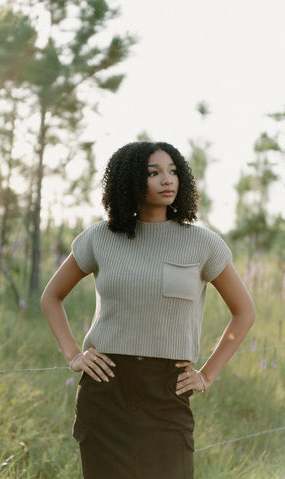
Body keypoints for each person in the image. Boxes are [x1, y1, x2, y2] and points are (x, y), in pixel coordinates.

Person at [41, 141, 255, 479]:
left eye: (172, 171)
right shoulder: (100, 238)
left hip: (167, 391)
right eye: (153, 173)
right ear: (129, 181)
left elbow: (244, 311)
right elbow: (51, 296)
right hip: (105, 388)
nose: (166, 180)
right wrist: (73, 355)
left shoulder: (203, 243)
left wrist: (207, 375)